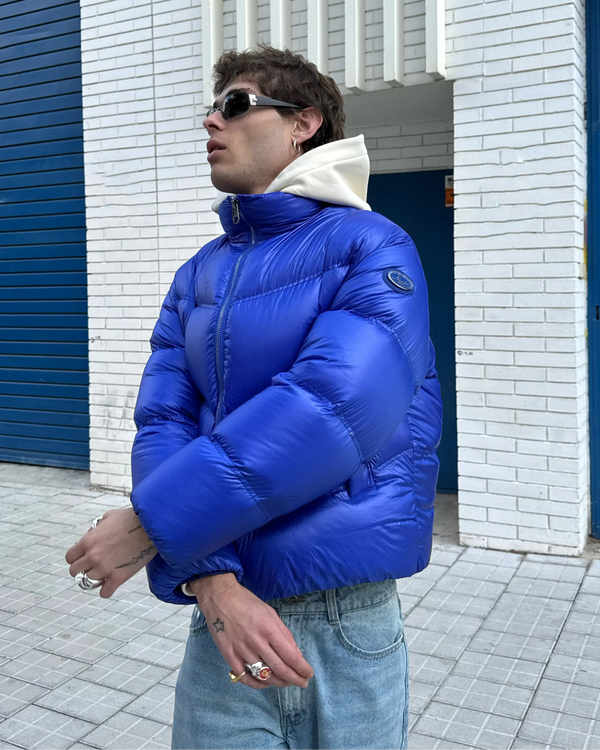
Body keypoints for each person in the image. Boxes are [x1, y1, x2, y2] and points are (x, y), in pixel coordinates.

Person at [66, 45, 442, 749]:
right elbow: (165, 421)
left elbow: (331, 404)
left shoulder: (372, 246)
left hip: (344, 623)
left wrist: (151, 524)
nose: (212, 120)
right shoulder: (196, 274)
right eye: (211, 108)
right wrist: (210, 580)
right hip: (224, 613)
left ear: (304, 122)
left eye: (235, 105)